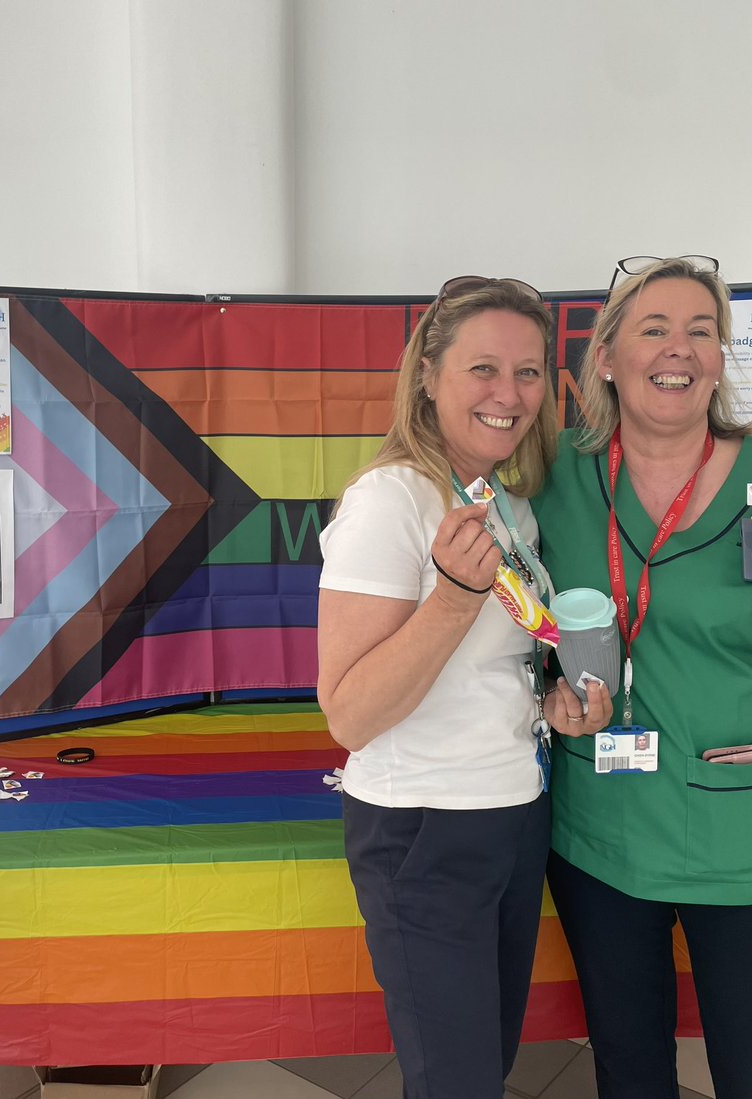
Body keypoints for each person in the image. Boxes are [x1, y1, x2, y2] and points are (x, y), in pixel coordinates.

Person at [534, 256, 752, 1099]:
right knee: (629, 1067)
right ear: (607, 356)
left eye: (701, 331)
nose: (678, 348)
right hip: (605, 829)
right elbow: (522, 634)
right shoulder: (555, 483)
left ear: (721, 359)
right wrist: (548, 693)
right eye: (653, 328)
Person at [317, 275, 613, 1099]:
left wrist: (551, 705)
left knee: (488, 1062)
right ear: (427, 375)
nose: (508, 393)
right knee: (457, 1082)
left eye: (527, 372)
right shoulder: (391, 500)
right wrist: (452, 594)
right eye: (483, 369)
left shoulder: (509, 504)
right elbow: (350, 712)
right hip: (423, 827)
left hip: (514, 813)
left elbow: (491, 670)